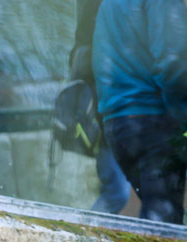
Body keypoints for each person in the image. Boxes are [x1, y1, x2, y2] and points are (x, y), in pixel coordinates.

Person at [92, 0, 187, 224]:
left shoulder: (108, 4)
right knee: (163, 221)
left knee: (154, 211)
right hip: (153, 119)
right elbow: (172, 63)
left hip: (118, 124)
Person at [70, 0, 131, 214]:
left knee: (120, 191)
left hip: (121, 114)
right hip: (109, 116)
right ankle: (82, 231)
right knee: (117, 192)